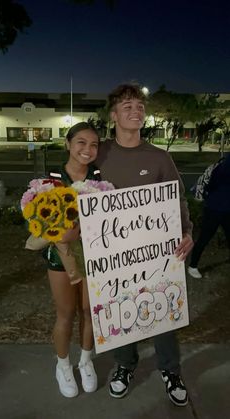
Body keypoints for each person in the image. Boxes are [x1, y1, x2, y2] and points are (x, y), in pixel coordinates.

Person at [95, 83, 193, 407]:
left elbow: (176, 200)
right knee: (121, 308)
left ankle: (170, 370)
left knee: (163, 311)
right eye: (127, 107)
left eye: (139, 106)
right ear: (113, 115)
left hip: (156, 253)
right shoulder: (100, 155)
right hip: (115, 255)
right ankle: (125, 365)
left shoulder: (159, 157)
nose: (136, 111)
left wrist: (187, 231)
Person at [44, 122, 100, 398]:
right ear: (68, 143)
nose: (87, 149)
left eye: (93, 144)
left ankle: (86, 361)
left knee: (89, 312)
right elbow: (40, 220)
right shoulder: (52, 177)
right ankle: (63, 364)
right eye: (81, 142)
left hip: (94, 256)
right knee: (66, 313)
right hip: (61, 258)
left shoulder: (100, 177)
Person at [188, 153, 230, 279]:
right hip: (214, 209)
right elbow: (207, 181)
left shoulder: (222, 164)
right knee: (204, 237)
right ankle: (192, 266)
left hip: (226, 210)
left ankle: (193, 265)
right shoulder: (221, 166)